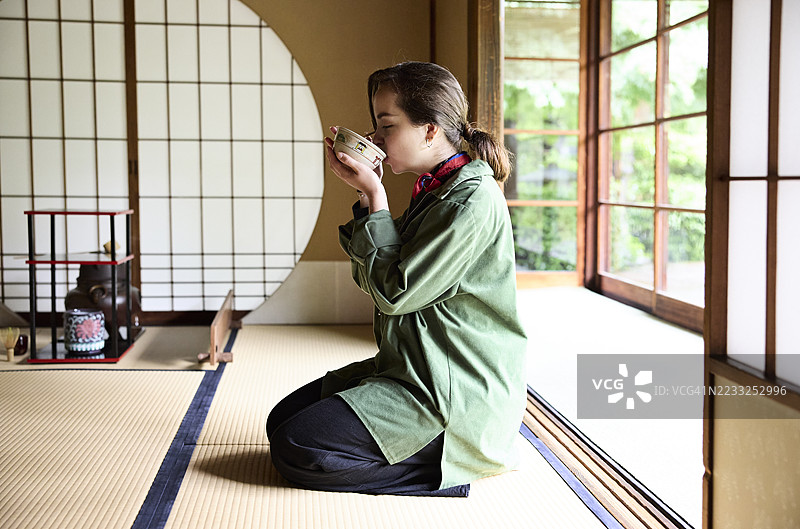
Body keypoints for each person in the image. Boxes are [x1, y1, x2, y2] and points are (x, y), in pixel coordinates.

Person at [266, 61, 527, 497]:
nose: (374, 139)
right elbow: (376, 273)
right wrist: (368, 198)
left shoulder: (470, 201)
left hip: (451, 390)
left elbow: (394, 293)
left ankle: (449, 471)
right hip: (408, 367)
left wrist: (375, 196)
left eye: (386, 124)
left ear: (429, 130)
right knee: (282, 421)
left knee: (294, 446)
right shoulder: (437, 188)